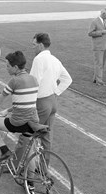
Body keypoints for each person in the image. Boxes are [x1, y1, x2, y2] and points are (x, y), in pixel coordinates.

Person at [0, 51, 39, 162]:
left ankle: (5, 151)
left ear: (16, 67)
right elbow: (27, 101)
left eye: (8, 66)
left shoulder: (14, 80)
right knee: (29, 150)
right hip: (33, 121)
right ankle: (31, 177)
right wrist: (8, 110)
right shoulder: (34, 79)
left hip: (19, 122)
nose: (7, 68)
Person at [29, 33, 72, 164]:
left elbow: (33, 82)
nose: (33, 48)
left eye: (34, 45)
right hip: (52, 102)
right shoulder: (55, 60)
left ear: (41, 45)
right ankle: (43, 168)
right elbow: (67, 79)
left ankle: (22, 170)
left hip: (41, 103)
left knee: (27, 135)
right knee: (46, 137)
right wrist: (56, 92)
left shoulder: (38, 60)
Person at [88, 7, 106, 86]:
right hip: (98, 47)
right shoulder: (95, 21)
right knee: (99, 64)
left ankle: (95, 79)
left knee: (101, 64)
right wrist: (101, 32)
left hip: (105, 46)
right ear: (103, 14)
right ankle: (99, 81)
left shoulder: (103, 21)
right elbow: (90, 33)